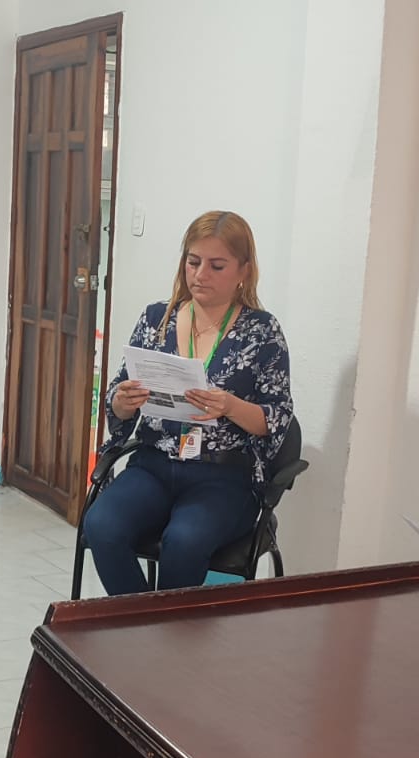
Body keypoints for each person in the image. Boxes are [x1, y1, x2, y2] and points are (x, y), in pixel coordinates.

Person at [84, 211, 294, 594]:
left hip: (222, 476)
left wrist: (229, 406)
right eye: (193, 262)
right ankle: (145, 623)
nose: (200, 275)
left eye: (217, 266)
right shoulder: (156, 319)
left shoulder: (262, 332)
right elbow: (117, 397)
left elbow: (276, 418)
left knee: (184, 541)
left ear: (244, 270)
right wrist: (124, 401)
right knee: (101, 525)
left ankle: (163, 631)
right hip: (153, 464)